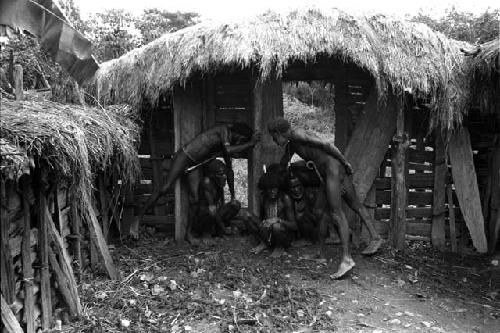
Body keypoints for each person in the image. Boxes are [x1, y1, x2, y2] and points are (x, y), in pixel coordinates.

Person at [267, 117, 382, 279]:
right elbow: (284, 162)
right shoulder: (292, 143)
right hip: (327, 174)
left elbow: (326, 145)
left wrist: (345, 163)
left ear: (278, 133)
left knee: (337, 212)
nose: (273, 140)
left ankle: (347, 259)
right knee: (320, 210)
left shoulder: (298, 134)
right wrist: (276, 173)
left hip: (333, 170)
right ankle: (320, 254)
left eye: (273, 137)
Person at [131, 123, 261, 241]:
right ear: (239, 135)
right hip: (185, 156)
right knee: (165, 188)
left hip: (195, 164)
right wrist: (250, 143)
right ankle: (138, 219)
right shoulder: (224, 131)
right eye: (242, 141)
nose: (240, 145)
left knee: (195, 199)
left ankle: (189, 234)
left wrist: (232, 195)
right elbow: (229, 150)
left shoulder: (225, 144)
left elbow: (230, 170)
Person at [246, 172, 297, 258]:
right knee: (248, 216)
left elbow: (294, 226)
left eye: (274, 188)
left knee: (276, 226)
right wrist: (262, 222)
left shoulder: (285, 198)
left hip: (283, 234)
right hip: (268, 233)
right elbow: (262, 219)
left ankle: (279, 247)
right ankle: (264, 243)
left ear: (279, 188)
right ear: (265, 189)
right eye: (269, 189)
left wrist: (278, 219)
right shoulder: (263, 198)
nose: (272, 191)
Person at [193, 159, 241, 244]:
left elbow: (220, 205)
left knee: (235, 205)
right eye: (221, 174)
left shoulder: (218, 183)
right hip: (202, 217)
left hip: (214, 214)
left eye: (224, 173)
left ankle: (218, 232)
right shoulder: (207, 183)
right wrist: (223, 227)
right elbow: (212, 208)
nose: (224, 176)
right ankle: (206, 234)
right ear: (212, 175)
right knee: (211, 211)